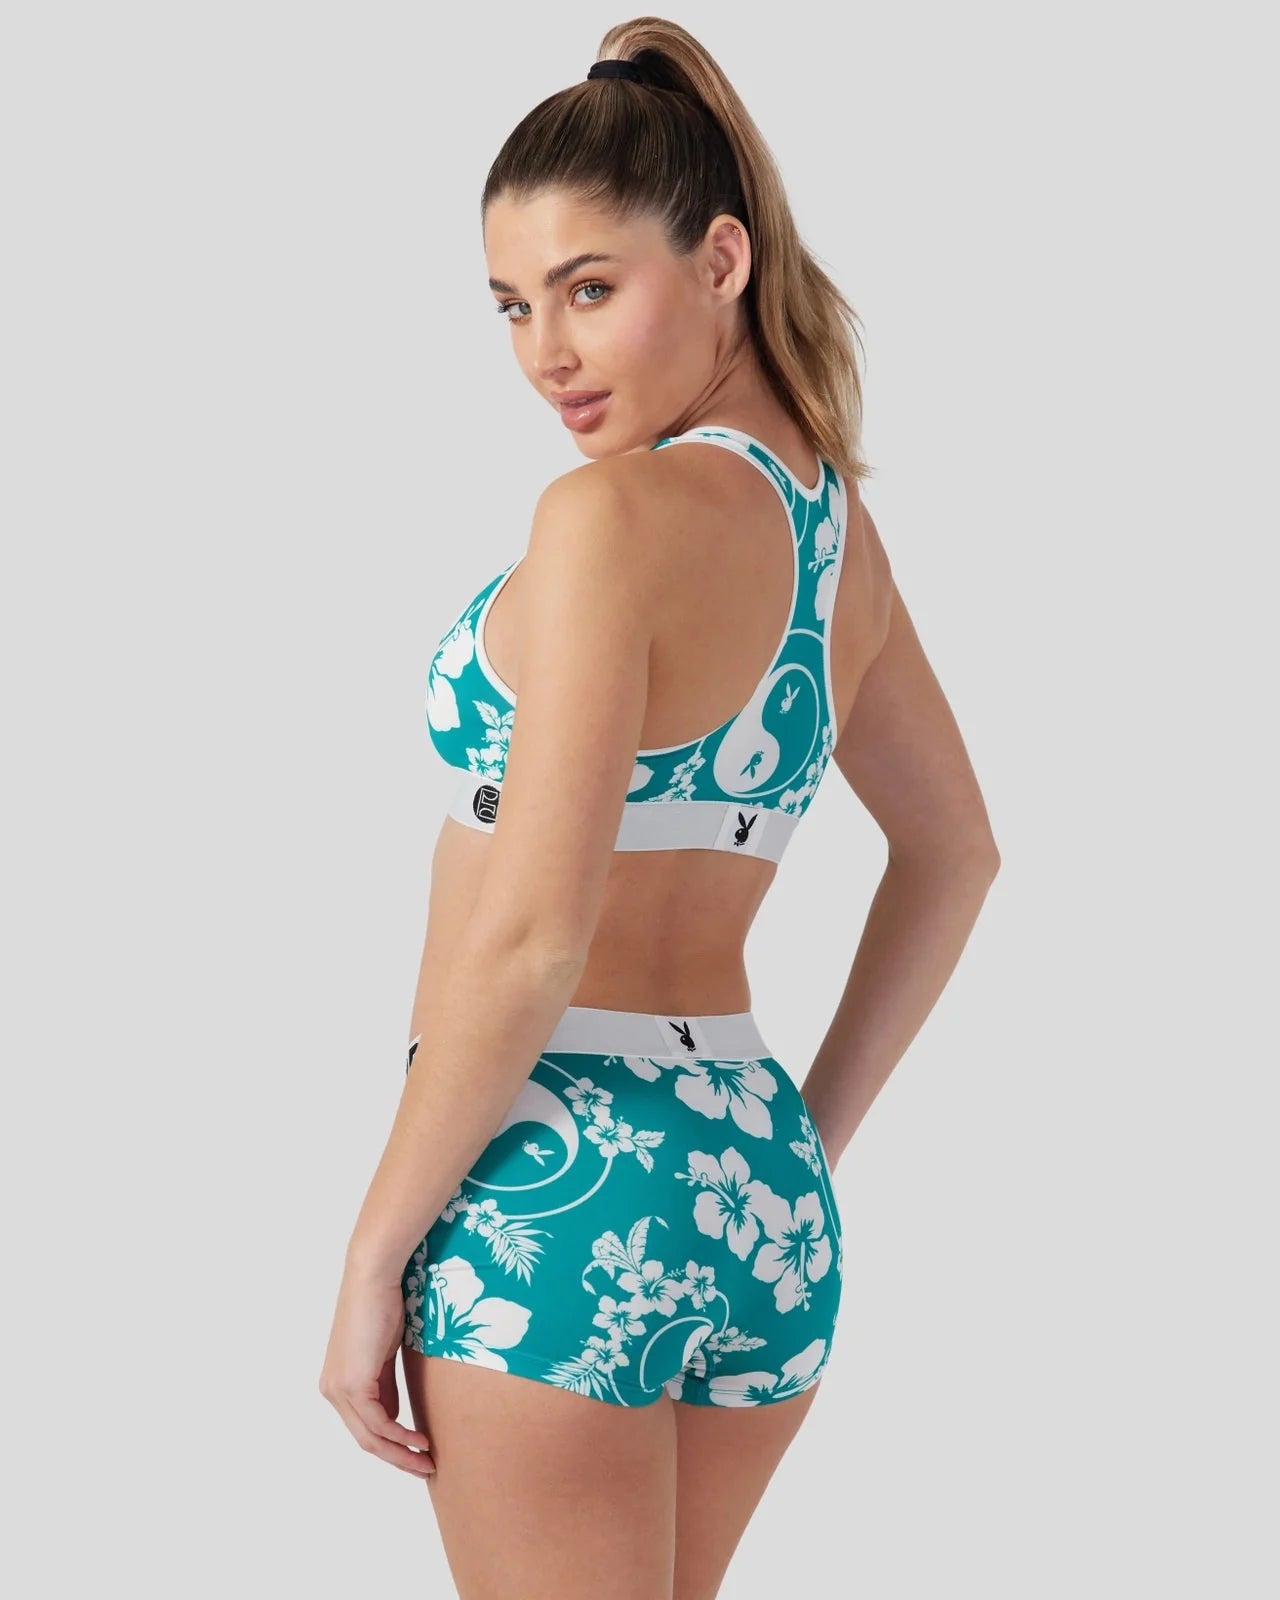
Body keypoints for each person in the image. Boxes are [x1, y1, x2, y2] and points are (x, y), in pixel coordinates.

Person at [320, 18, 999, 1598]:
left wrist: (371, 1254)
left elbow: (530, 942)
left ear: (721, 260)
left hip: (551, 1176)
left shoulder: (609, 516)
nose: (544, 354)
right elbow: (956, 852)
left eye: (587, 289)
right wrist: (802, 1145)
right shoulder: (835, 534)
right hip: (754, 1178)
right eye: (512, 304)